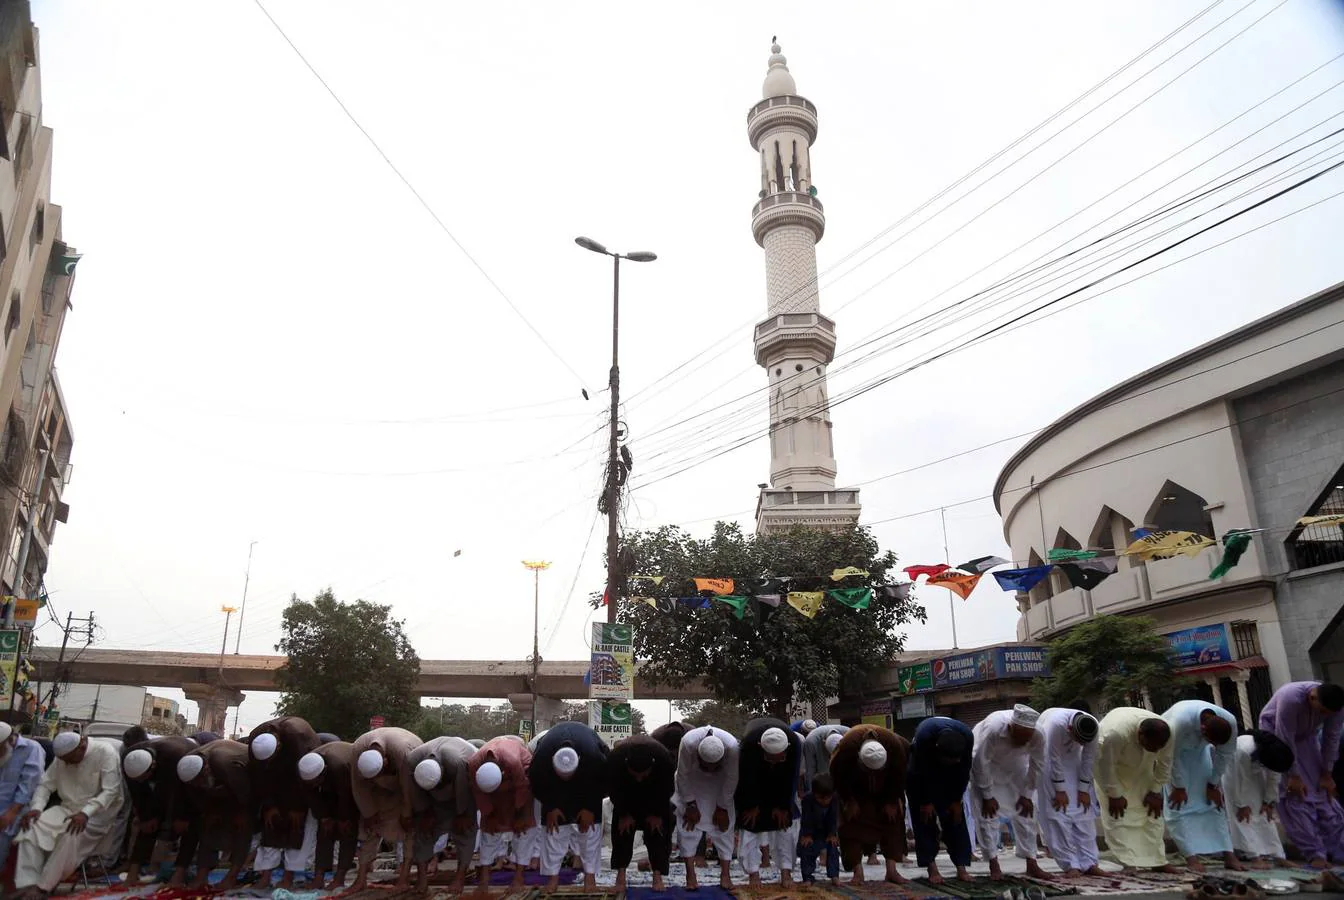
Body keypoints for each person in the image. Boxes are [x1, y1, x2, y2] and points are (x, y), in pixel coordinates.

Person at [13, 732, 123, 898]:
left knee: (71, 833)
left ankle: (43, 888)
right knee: (31, 827)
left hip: (98, 814)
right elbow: (45, 785)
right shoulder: (63, 756)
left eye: (69, 759)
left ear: (82, 747)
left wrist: (85, 813)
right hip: (67, 808)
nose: (65, 763)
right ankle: (27, 884)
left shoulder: (105, 752)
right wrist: (37, 808)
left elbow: (111, 791)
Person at [1258, 681, 1344, 867]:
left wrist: (1327, 773)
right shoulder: (1291, 698)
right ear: (1312, 697)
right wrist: (1293, 775)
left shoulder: (1336, 707)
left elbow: (1332, 737)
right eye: (1322, 712)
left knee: (1323, 795)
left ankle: (1340, 851)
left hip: (1307, 739)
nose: (1325, 717)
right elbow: (1284, 736)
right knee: (1296, 798)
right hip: (1277, 743)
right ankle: (1315, 855)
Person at [970, 704, 1050, 880]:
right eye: (1020, 737)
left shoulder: (1038, 734)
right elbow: (980, 762)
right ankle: (993, 864)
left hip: (1017, 768)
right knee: (987, 816)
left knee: (1027, 813)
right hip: (986, 768)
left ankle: (1032, 862)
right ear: (1010, 727)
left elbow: (1038, 765)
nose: (1023, 742)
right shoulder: (994, 728)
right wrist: (987, 795)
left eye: (1026, 739)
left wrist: (1027, 795)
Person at [1160, 699, 1240, 872]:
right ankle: (1191, 858)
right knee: (1178, 806)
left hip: (1199, 755)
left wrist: (1213, 784)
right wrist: (1179, 787)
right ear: (1202, 730)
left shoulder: (1230, 721)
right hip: (1172, 757)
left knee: (1213, 804)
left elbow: (1224, 756)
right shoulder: (1179, 721)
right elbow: (1170, 756)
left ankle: (1229, 854)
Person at [528, 722, 606, 893]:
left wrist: (590, 808)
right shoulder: (541, 760)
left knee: (590, 830)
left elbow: (606, 782)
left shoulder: (594, 758)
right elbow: (535, 785)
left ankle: (590, 878)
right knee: (553, 830)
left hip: (587, 788)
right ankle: (552, 878)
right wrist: (550, 807)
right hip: (554, 790)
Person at [1096, 707, 1176, 872]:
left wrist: (1155, 790)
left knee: (1151, 814)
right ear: (1139, 734)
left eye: (1157, 748)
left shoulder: (1168, 733)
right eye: (1151, 746)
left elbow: (1165, 763)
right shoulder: (1114, 734)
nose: (1155, 750)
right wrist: (1114, 794)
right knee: (1117, 815)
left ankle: (1158, 860)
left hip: (1144, 769)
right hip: (1113, 773)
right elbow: (1104, 766)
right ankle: (1128, 861)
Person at [829, 723, 908, 886]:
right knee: (850, 826)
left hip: (886, 788)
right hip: (854, 789)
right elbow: (837, 775)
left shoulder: (895, 747)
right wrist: (849, 799)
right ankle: (858, 872)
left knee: (893, 821)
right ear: (859, 757)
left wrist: (892, 800)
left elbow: (900, 776)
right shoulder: (846, 749)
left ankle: (892, 871)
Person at [248, 716, 321, 889]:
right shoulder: (255, 740)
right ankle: (265, 877)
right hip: (273, 783)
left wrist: (298, 807)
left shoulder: (298, 738)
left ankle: (288, 878)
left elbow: (304, 776)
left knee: (297, 828)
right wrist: (269, 805)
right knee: (270, 826)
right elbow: (258, 776)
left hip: (299, 781)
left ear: (279, 746)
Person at [350, 726, 424, 890]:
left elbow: (408, 789)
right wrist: (369, 812)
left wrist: (406, 814)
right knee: (369, 827)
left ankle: (403, 877)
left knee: (409, 829)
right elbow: (358, 786)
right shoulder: (358, 749)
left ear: (385, 761)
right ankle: (360, 879)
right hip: (376, 789)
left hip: (405, 783)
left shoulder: (405, 753)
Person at [176, 738, 254, 890]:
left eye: (199, 781)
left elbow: (246, 794)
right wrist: (211, 811)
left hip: (248, 784)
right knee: (207, 825)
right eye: (194, 783)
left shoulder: (224, 764)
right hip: (224, 788)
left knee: (243, 827)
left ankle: (231, 877)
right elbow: (199, 797)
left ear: (205, 769)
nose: (197, 785)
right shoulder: (188, 764)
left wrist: (242, 813)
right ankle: (201, 877)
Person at [404, 736, 478, 893]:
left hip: (465, 787)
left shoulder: (457, 762)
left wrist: (462, 813)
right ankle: (422, 881)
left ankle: (459, 880)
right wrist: (425, 812)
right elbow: (415, 792)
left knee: (465, 830)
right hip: (431, 799)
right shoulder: (412, 761)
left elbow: (465, 793)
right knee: (423, 830)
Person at [121, 735, 198, 887]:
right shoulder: (129, 759)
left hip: (186, 782)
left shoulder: (177, 757)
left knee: (188, 826)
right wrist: (145, 817)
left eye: (145, 777)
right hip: (166, 776)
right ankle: (133, 872)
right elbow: (137, 793)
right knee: (149, 824)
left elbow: (184, 793)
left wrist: (182, 816)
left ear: (153, 766)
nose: (143, 781)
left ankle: (178, 875)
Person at [1035, 707, 1103, 877]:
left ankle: (1089, 862)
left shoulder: (1092, 726)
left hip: (1074, 761)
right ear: (1070, 729)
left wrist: (1083, 789)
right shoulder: (1056, 724)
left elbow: (1088, 757)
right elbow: (1053, 757)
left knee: (1084, 813)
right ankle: (1070, 864)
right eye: (1078, 740)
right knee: (1059, 814)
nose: (1080, 743)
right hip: (1050, 764)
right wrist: (1059, 789)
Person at [906, 716, 973, 884]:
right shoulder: (924, 738)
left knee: (955, 818)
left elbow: (964, 771)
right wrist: (926, 802)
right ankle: (931, 867)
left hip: (951, 779)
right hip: (919, 779)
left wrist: (957, 800)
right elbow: (919, 773)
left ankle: (961, 867)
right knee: (924, 820)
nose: (957, 760)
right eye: (952, 758)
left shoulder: (966, 736)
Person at [736, 719, 801, 888]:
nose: (773, 762)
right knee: (750, 826)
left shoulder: (794, 743)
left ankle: (786, 872)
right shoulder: (748, 745)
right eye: (769, 758)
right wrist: (752, 805)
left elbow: (791, 778)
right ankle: (753, 873)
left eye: (777, 758)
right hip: (754, 785)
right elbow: (746, 779)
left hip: (780, 785)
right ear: (760, 747)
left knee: (784, 827)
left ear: (785, 749)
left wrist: (782, 806)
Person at [607, 733, 675, 893]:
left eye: (642, 775)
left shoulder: (665, 760)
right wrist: (624, 814)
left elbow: (667, 790)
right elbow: (613, 789)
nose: (638, 779)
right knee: (622, 831)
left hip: (656, 798)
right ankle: (621, 875)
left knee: (658, 832)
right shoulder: (615, 760)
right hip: (626, 798)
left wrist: (656, 814)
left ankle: (657, 875)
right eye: (634, 774)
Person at [673, 725, 738, 891]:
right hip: (692, 780)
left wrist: (722, 806)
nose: (709, 768)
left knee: (724, 827)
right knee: (688, 825)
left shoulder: (731, 746)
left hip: (720, 782)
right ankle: (690, 875)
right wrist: (691, 804)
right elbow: (682, 774)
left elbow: (732, 777)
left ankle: (725, 874)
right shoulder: (688, 743)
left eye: (713, 765)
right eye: (706, 764)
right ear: (698, 756)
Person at [469, 735, 533, 895]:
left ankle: (518, 878)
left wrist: (520, 815)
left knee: (523, 830)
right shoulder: (473, 764)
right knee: (489, 830)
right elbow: (478, 793)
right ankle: (484, 881)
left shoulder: (512, 761)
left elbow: (522, 786)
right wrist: (488, 814)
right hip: (491, 795)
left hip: (521, 782)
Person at [1223, 730, 1294, 868]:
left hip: (1255, 775)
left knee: (1264, 815)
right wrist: (1241, 804)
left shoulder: (1274, 753)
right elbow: (1238, 780)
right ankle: (1254, 856)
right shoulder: (1244, 750)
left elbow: (1274, 777)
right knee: (1243, 818)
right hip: (1233, 778)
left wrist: (1269, 800)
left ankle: (1278, 855)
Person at [297, 740, 359, 890]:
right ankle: (318, 878)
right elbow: (311, 796)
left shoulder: (339, 767)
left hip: (350, 789)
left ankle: (339, 878)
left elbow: (345, 796)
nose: (312, 785)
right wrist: (324, 817)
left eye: (315, 782)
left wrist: (344, 819)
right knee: (325, 831)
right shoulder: (305, 768)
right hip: (327, 792)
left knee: (347, 831)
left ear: (323, 771)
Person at [0, 722, 43, 882]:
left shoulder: (32, 749)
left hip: (18, 808)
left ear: (10, 741)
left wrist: (11, 812)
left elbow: (29, 784)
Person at [796, 772, 839, 885]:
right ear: (814, 794)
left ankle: (834, 875)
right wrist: (808, 835)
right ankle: (807, 877)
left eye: (827, 798)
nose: (824, 801)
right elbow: (806, 818)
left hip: (826, 831)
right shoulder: (808, 799)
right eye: (820, 798)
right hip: (810, 832)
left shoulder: (834, 799)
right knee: (806, 848)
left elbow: (833, 817)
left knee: (833, 847)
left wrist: (832, 833)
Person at [802, 724, 848, 794]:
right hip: (822, 780)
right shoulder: (811, 742)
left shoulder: (849, 735)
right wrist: (811, 793)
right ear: (824, 742)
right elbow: (810, 770)